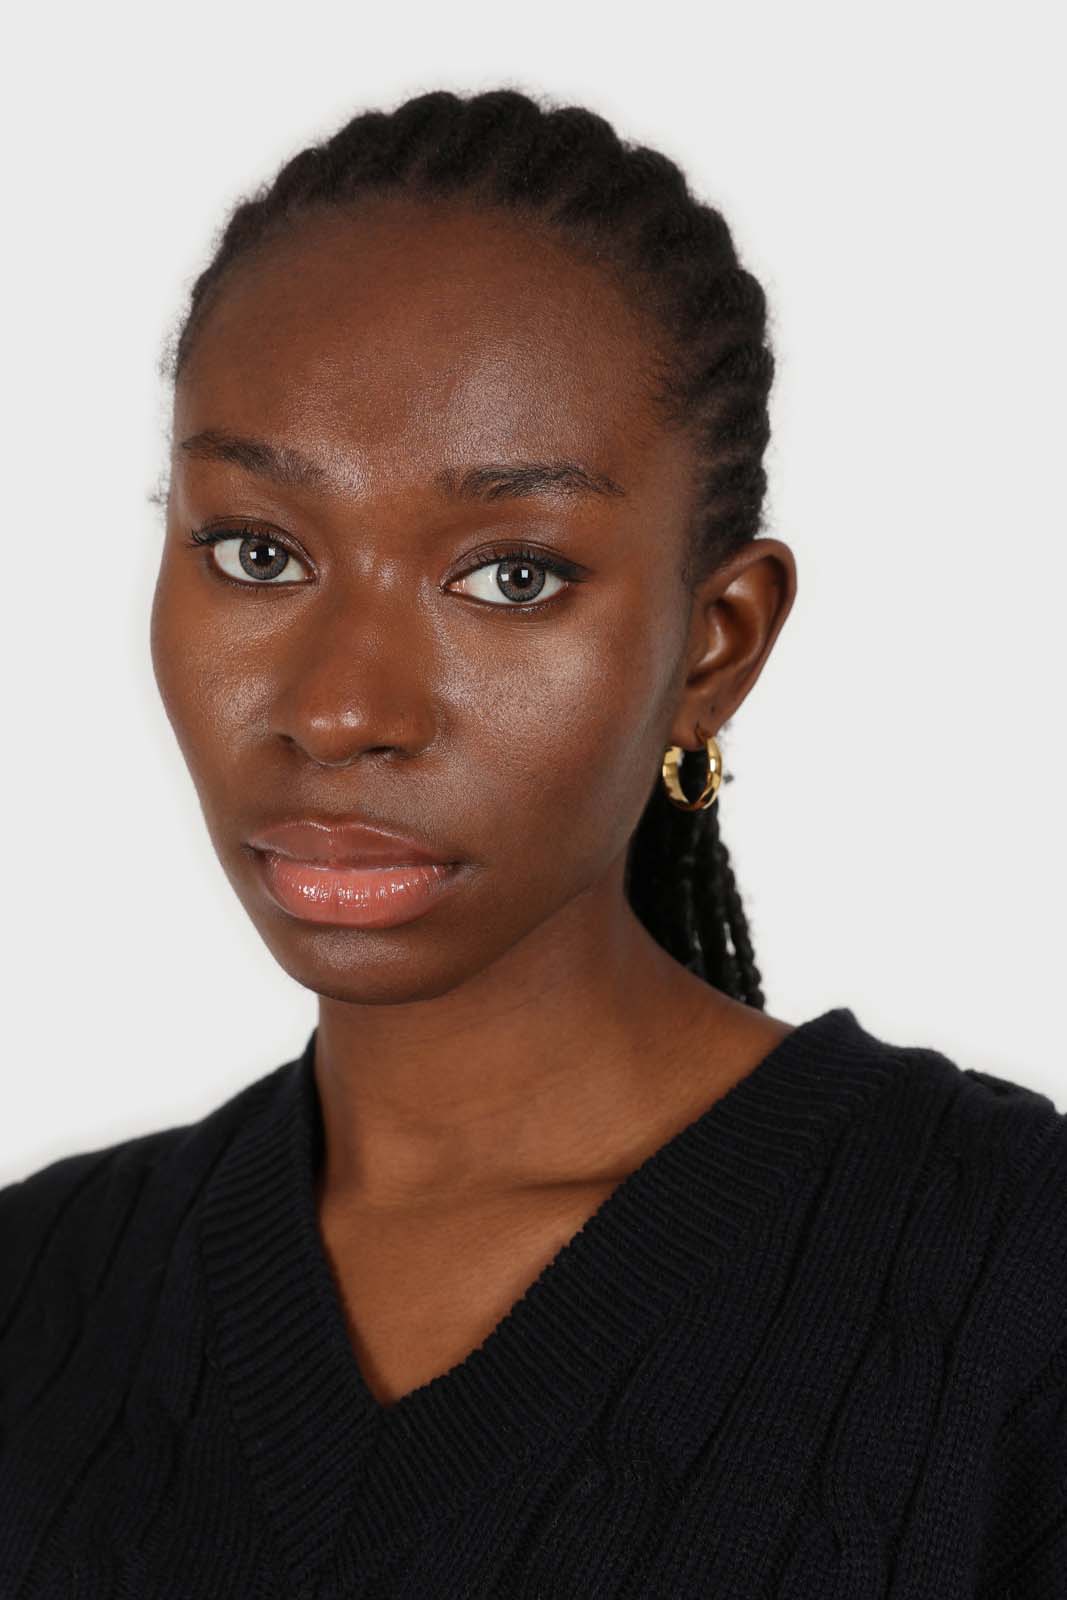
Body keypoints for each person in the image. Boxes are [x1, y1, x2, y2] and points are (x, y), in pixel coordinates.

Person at [2, 87, 1064, 1598]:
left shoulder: (1013, 1284)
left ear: (715, 642)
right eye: (258, 551)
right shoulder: (36, 1293)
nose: (343, 709)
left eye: (511, 575)